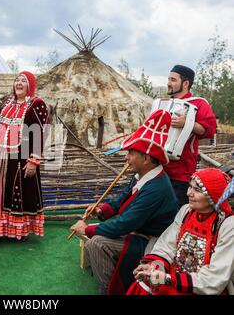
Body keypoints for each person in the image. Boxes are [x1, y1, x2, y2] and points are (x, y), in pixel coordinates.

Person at [70, 109, 178, 295]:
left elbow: (125, 224)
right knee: (94, 236)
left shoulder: (157, 188)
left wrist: (86, 229)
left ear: (146, 158)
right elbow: (121, 200)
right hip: (137, 230)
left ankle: (109, 288)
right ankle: (108, 273)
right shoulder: (142, 175)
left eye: (131, 152)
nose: (126, 157)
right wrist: (100, 211)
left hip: (149, 240)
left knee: (96, 242)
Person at [127, 168, 234, 295]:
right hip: (176, 278)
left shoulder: (227, 225)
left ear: (213, 195)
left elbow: (214, 279)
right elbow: (166, 246)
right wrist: (155, 267)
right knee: (143, 285)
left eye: (197, 190)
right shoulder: (186, 212)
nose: (189, 193)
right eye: (190, 187)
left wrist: (167, 279)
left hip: (201, 287)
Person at [0, 71, 49, 248]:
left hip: (21, 158)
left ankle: (20, 230)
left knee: (19, 194)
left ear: (30, 85)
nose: (19, 83)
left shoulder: (36, 104)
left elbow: (40, 132)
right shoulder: (7, 103)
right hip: (2, 158)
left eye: (23, 81)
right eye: (17, 80)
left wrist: (33, 160)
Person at [164, 65, 217, 208]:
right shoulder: (164, 104)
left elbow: (210, 130)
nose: (168, 83)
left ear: (185, 83)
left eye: (173, 80)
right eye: (168, 79)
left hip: (181, 171)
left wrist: (187, 123)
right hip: (159, 168)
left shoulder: (199, 103)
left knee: (177, 211)